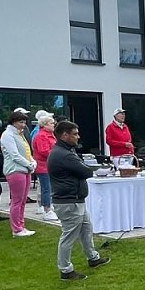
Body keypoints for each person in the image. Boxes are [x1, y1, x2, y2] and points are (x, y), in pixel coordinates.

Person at [48, 120, 111, 280]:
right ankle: (65, 270)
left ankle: (93, 257)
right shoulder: (64, 155)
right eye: (75, 134)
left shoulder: (64, 151)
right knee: (69, 236)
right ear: (64, 135)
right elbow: (86, 171)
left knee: (86, 230)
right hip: (69, 202)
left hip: (75, 200)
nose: (78, 137)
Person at [0, 110, 37, 237]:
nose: (23, 125)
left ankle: (21, 225)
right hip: (15, 170)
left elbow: (26, 151)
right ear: (13, 122)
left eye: (24, 122)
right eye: (21, 122)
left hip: (25, 170)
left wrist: (33, 162)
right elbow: (14, 155)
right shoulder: (7, 135)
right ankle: (16, 229)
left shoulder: (20, 134)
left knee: (22, 201)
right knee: (16, 201)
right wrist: (29, 164)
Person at [32, 115, 60, 222]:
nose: (53, 125)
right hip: (43, 166)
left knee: (49, 188)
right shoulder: (41, 136)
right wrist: (57, 154)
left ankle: (49, 206)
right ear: (44, 125)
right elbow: (44, 151)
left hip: (49, 165)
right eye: (51, 123)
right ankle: (47, 210)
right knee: (46, 188)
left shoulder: (49, 135)